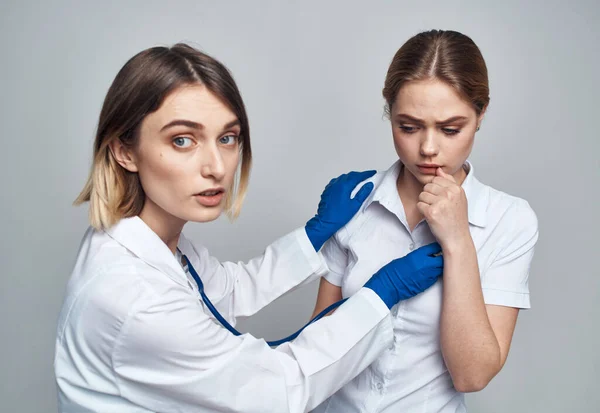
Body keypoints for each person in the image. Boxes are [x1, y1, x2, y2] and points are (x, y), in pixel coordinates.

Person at [54, 43, 445, 413]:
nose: (218, 167)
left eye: (227, 138)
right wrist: (382, 293)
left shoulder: (154, 242)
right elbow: (281, 389)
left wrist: (314, 234)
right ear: (125, 150)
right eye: (182, 140)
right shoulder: (135, 299)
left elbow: (231, 290)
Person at [311, 30, 539, 413]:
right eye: (409, 127)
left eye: (450, 129)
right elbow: (317, 350)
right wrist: (377, 294)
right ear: (389, 113)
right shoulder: (353, 202)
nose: (428, 148)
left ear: (481, 114)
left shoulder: (510, 220)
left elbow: (472, 375)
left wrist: (458, 241)